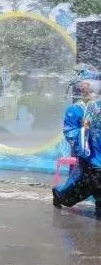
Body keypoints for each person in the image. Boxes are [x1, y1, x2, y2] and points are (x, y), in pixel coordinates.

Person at [53, 76, 100, 212]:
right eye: (84, 88)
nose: (87, 90)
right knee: (81, 188)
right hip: (92, 157)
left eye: (91, 88)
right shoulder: (75, 109)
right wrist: (84, 130)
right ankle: (59, 195)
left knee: (94, 185)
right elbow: (70, 131)